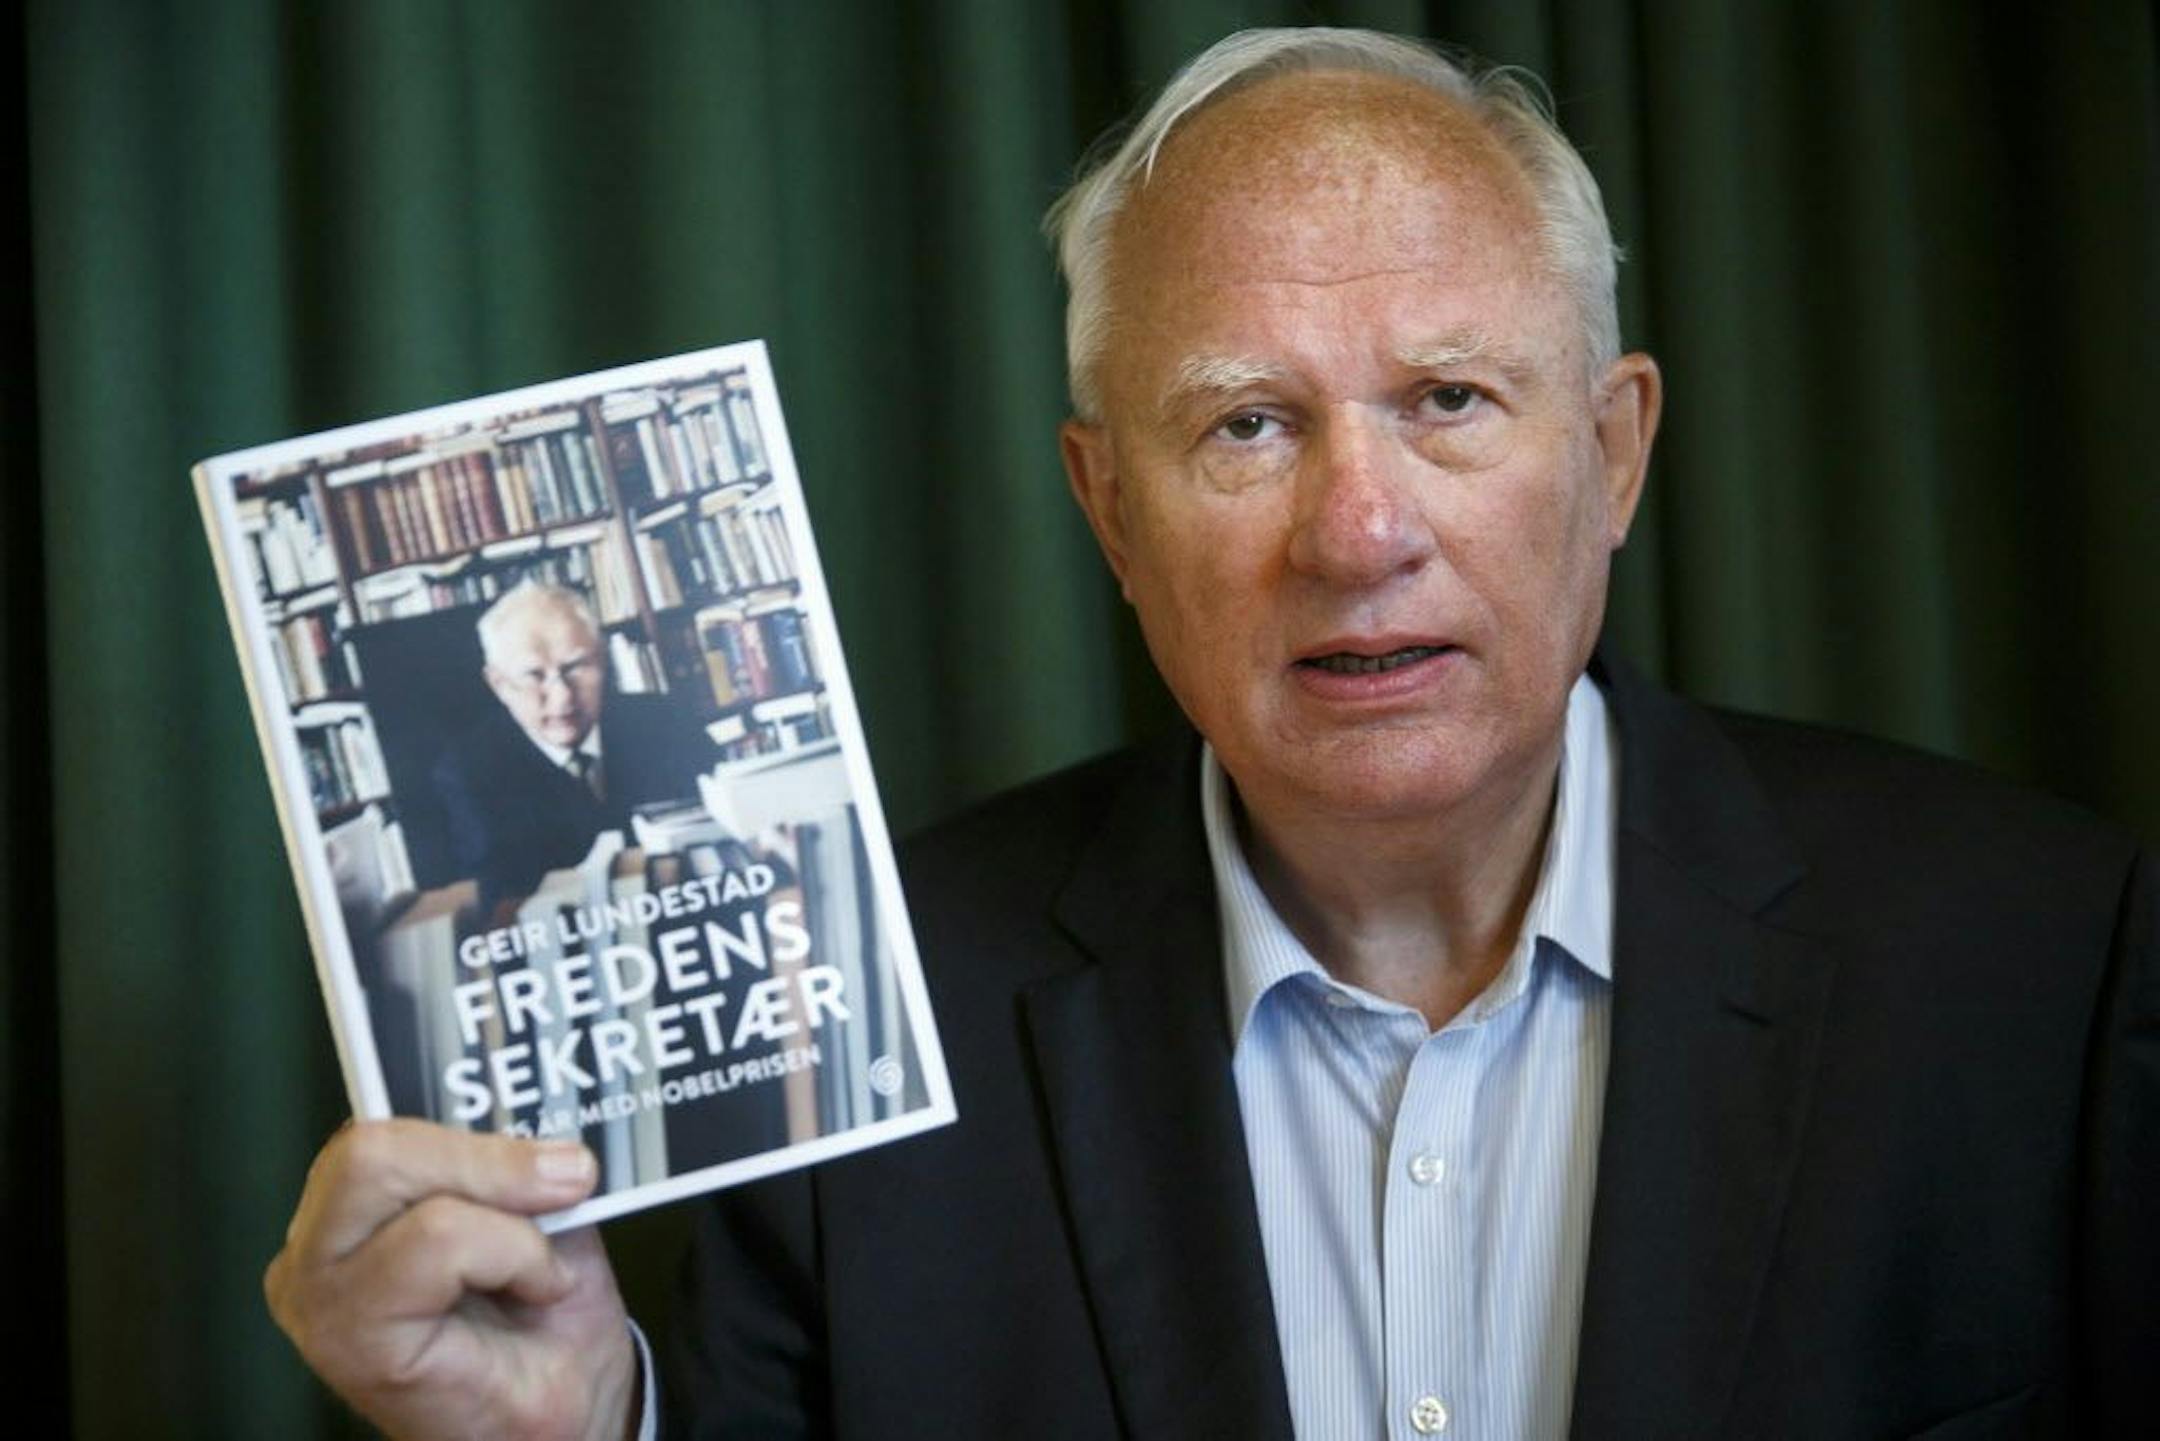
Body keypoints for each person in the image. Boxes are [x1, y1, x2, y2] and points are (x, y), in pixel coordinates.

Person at [265, 27, 2156, 1440]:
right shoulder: (858, 1010)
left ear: (1616, 453)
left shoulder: (2039, 967)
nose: (1359, 531)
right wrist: (586, 1427)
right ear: (1107, 509)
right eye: (1245, 424)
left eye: (1451, 399)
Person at [432, 582, 716, 904]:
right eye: (534, 676)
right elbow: (501, 902)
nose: (563, 696)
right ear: (499, 685)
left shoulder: (670, 723)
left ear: (603, 660)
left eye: (576, 667)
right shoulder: (470, 772)